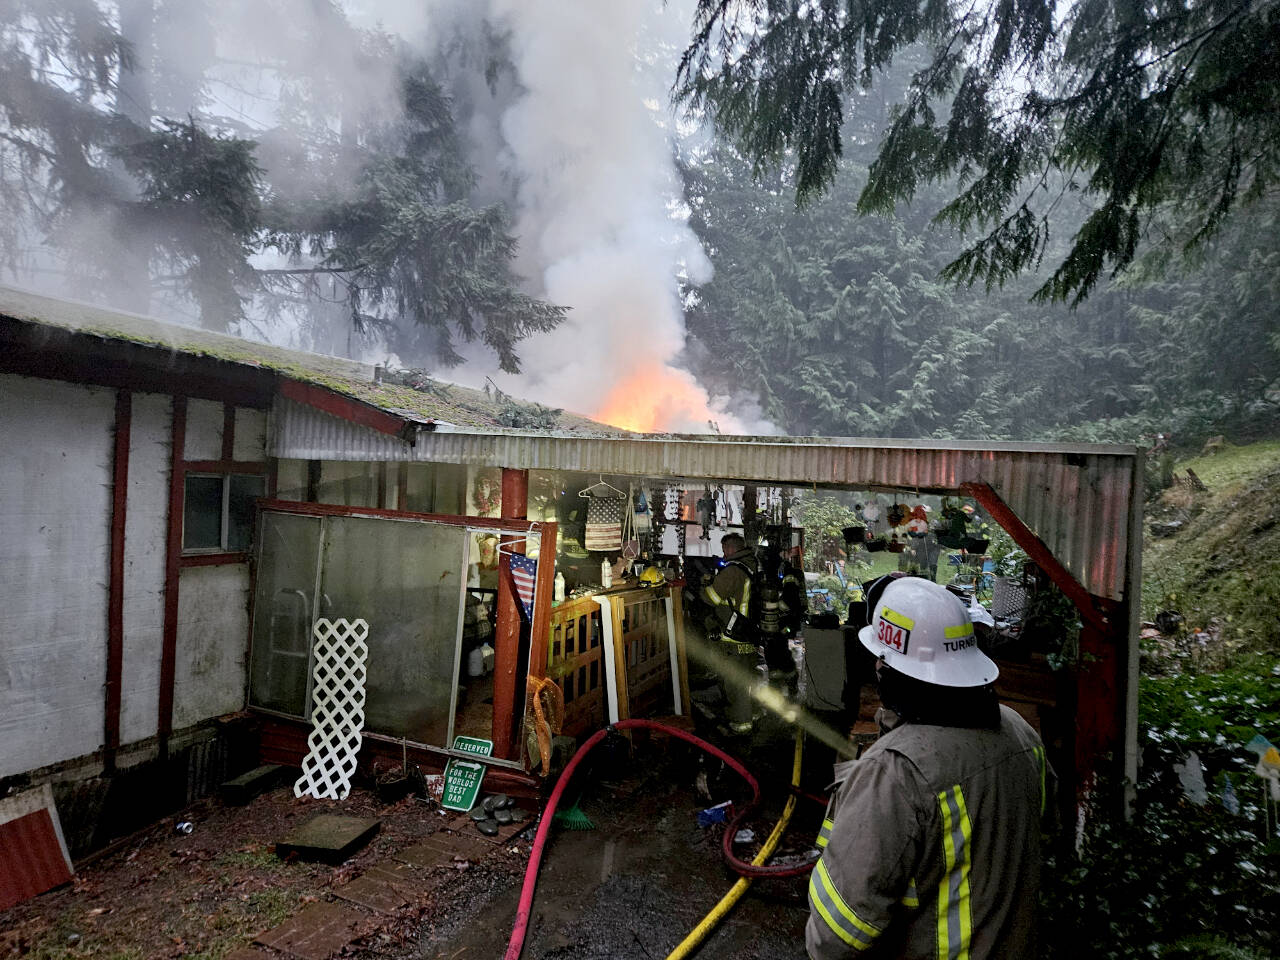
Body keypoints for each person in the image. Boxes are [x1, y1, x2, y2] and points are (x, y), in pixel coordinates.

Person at [807, 577, 1054, 960]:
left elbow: (834, 938)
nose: (876, 666)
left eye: (882, 658)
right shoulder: (1021, 733)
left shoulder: (895, 773)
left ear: (898, 671)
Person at [702, 532, 758, 642]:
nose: (723, 555)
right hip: (750, 632)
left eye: (724, 551)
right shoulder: (752, 564)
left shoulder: (732, 571)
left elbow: (710, 598)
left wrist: (705, 585)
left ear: (731, 549)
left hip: (733, 634)